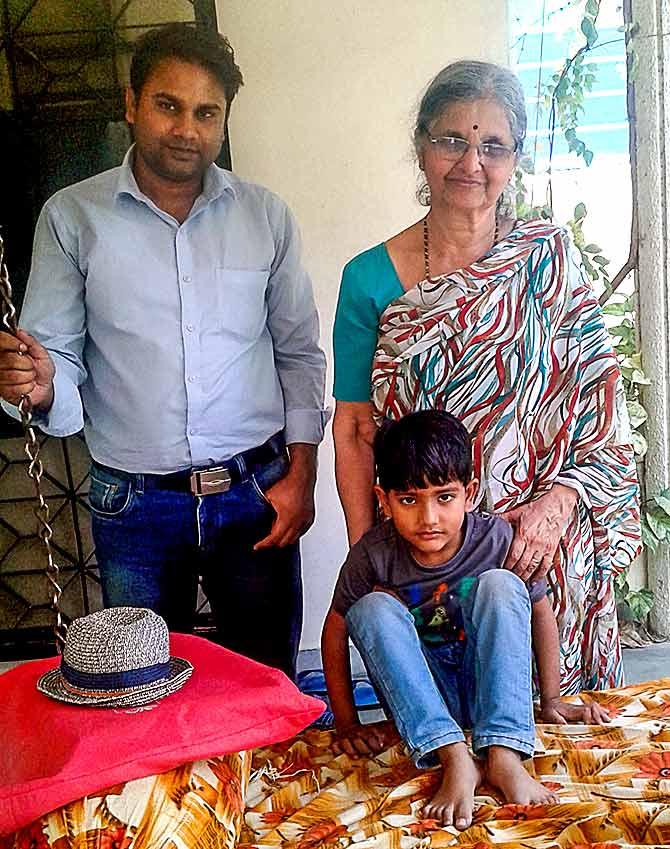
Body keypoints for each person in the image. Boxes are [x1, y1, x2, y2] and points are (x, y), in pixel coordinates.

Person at [0, 23, 327, 680]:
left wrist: (302, 475)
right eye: (168, 105)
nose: (187, 129)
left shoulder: (265, 217)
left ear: (224, 119)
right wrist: (38, 385)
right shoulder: (73, 218)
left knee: (265, 683)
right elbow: (58, 358)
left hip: (253, 495)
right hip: (135, 506)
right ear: (132, 104)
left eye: (206, 112)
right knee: (146, 692)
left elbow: (299, 354)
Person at [332, 60, 640, 693]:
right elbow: (358, 429)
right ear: (420, 146)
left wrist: (558, 507)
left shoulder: (547, 260)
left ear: (514, 158)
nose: (471, 162)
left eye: (492, 146)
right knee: (439, 740)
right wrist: (372, 555)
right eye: (452, 140)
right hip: (427, 551)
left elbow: (602, 408)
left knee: (554, 752)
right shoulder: (367, 279)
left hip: (536, 546)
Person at [322, 410, 610, 829]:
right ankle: (454, 755)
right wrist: (346, 723)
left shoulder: (494, 539)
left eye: (444, 497)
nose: (429, 518)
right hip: (426, 699)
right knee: (368, 608)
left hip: (487, 687)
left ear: (469, 493)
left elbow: (540, 609)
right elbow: (334, 630)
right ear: (383, 501)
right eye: (408, 500)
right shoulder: (373, 553)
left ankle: (505, 755)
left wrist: (550, 698)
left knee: (502, 584)